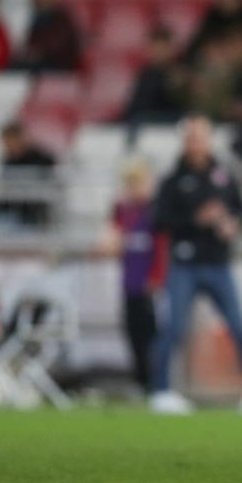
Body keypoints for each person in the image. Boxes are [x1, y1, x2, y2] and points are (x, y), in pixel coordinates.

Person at [150, 114, 242, 416]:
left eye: (201, 138)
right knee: (173, 328)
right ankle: (161, 391)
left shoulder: (225, 175)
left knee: (239, 327)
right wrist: (195, 221)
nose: (197, 144)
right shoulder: (173, 180)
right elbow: (159, 221)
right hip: (184, 264)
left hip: (218, 263)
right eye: (192, 138)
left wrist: (233, 225)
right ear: (184, 142)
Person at [99, 159, 165, 391]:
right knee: (133, 332)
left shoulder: (156, 211)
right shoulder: (123, 211)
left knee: (153, 335)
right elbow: (111, 240)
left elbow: (161, 247)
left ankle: (158, 383)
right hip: (130, 281)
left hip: (150, 283)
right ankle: (141, 382)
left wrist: (157, 277)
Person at [124, 26, 187, 140]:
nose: (157, 51)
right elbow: (135, 104)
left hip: (168, 119)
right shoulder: (146, 72)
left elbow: (180, 104)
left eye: (162, 47)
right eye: (154, 47)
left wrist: (175, 85)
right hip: (142, 118)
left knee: (137, 120)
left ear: (171, 48)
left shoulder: (178, 71)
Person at [14, 0, 81, 72]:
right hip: (43, 62)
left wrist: (40, 52)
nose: (39, 0)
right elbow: (32, 42)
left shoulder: (61, 18)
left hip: (59, 64)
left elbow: (60, 44)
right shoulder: (37, 18)